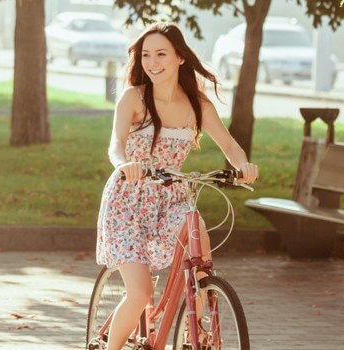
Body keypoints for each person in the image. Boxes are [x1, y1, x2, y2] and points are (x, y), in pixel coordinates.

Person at [95, 23, 258, 350]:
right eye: (146, 55)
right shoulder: (133, 98)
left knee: (196, 233)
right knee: (140, 294)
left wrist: (242, 165)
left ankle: (195, 321)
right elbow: (116, 144)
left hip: (170, 196)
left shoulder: (197, 105)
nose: (152, 62)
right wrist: (124, 164)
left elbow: (229, 145)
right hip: (127, 199)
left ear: (180, 58)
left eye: (161, 54)